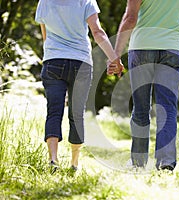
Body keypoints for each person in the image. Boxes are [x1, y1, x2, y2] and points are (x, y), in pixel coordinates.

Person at [35, 0, 123, 173]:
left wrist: (53, 53)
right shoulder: (86, 1)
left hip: (53, 61)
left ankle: (53, 160)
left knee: (54, 111)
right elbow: (97, 32)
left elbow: (45, 36)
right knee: (77, 113)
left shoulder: (44, 2)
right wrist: (114, 58)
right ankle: (74, 164)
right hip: (80, 62)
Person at [111, 0, 179, 171]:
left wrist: (115, 55)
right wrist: (172, 38)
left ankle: (138, 162)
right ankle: (166, 162)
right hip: (171, 50)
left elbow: (130, 18)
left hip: (142, 47)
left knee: (141, 107)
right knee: (168, 107)